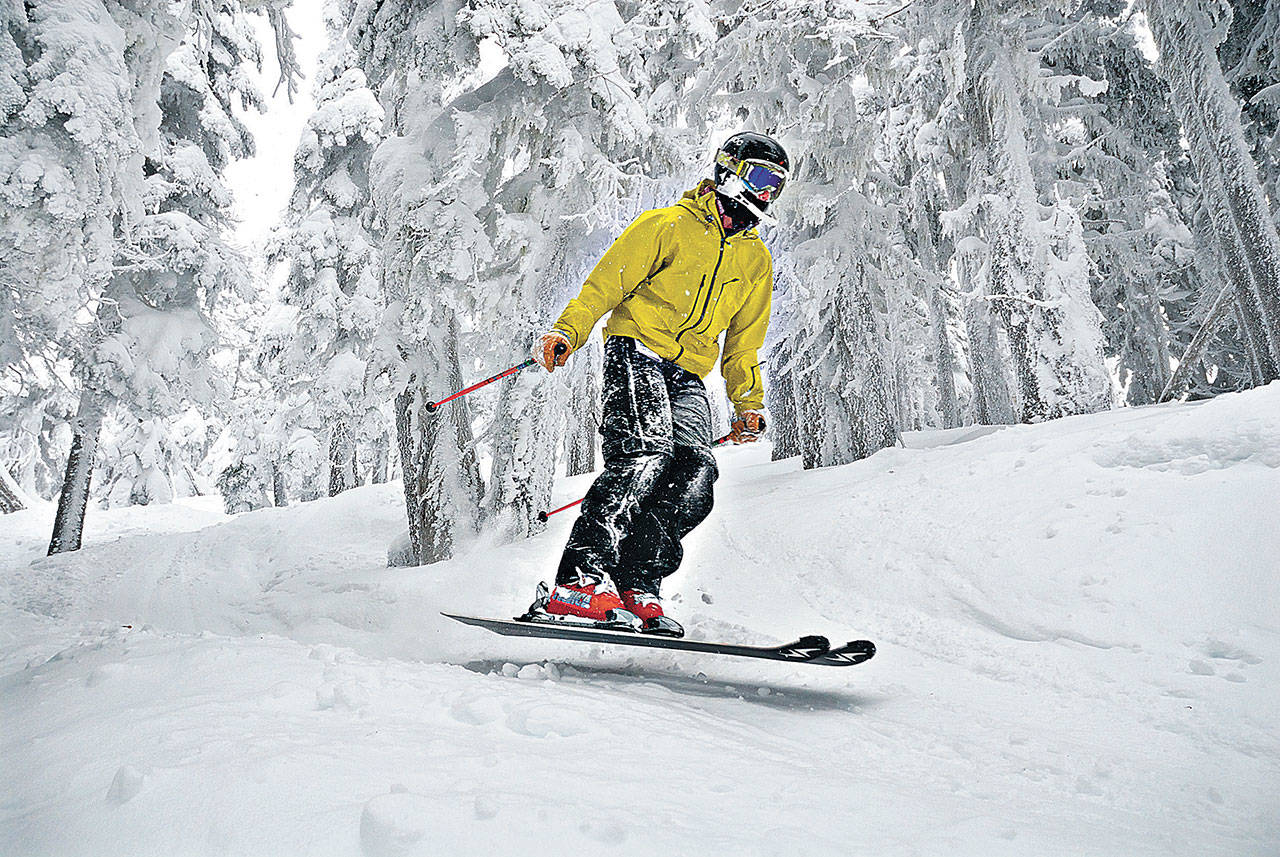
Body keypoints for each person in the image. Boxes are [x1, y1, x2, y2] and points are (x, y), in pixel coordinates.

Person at [527, 131, 789, 636]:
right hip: (638, 349)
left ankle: (636, 581)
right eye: (760, 177)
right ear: (729, 170)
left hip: (689, 372)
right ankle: (575, 583)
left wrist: (747, 404)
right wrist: (568, 330)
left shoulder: (755, 259)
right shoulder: (667, 226)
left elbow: (743, 342)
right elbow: (604, 283)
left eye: (776, 186)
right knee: (643, 454)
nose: (766, 193)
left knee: (695, 473)